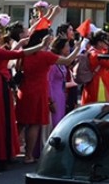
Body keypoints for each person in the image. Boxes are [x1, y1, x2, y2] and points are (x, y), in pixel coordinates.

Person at [0, 22, 52, 172]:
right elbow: (15, 55)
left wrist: (22, 44)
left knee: (3, 121)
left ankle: (1, 155)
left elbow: (7, 56)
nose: (0, 36)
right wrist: (40, 45)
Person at [16, 29, 81, 163]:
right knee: (34, 123)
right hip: (39, 91)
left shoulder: (25, 54)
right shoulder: (45, 55)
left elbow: (18, 69)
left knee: (21, 123)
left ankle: (11, 152)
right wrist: (78, 48)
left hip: (24, 89)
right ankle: (28, 155)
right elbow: (68, 60)